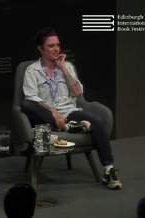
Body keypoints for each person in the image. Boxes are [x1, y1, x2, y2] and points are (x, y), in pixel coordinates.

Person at [21, 27, 122, 190]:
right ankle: (70, 127)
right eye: (51, 46)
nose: (56, 49)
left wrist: (63, 69)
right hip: (46, 116)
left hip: (70, 113)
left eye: (58, 45)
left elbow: (78, 92)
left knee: (97, 121)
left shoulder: (67, 66)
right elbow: (31, 98)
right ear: (40, 49)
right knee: (27, 105)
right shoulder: (32, 71)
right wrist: (53, 112)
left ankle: (109, 170)